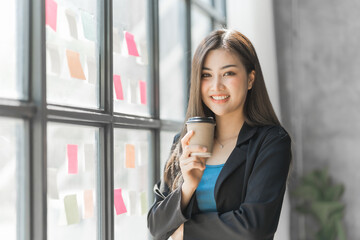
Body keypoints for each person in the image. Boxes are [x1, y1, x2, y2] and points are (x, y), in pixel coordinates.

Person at [147, 29, 292, 240]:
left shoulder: (271, 142)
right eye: (206, 75)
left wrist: (186, 232)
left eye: (228, 73)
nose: (216, 86)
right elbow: (156, 225)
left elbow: (254, 228)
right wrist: (187, 187)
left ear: (251, 79)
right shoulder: (185, 141)